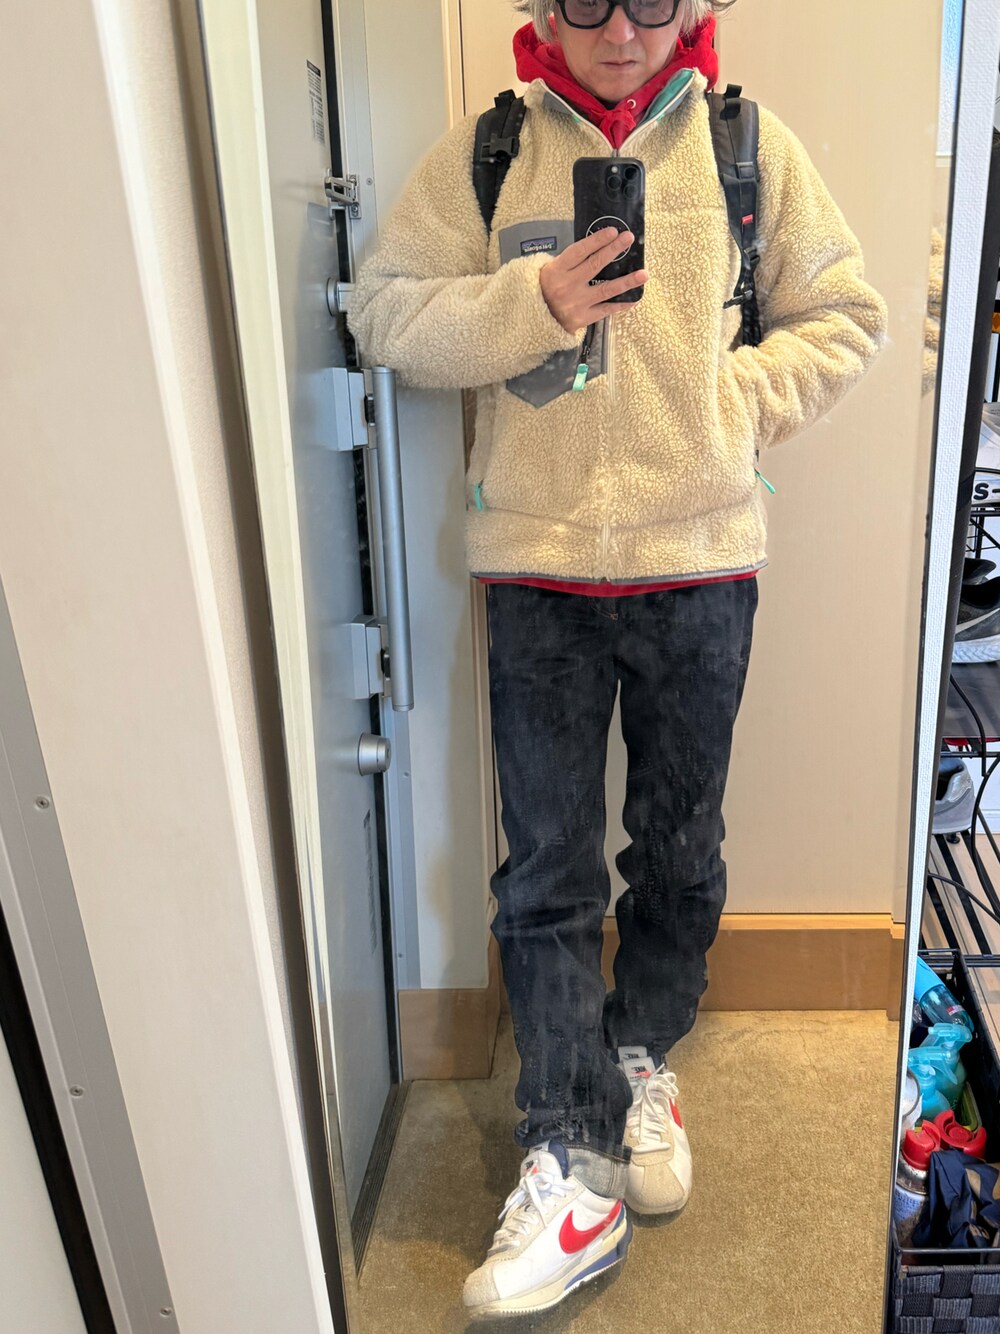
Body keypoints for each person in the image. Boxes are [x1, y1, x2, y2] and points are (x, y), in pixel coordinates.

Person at [349, 0, 887, 1319]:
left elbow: (846, 313)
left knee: (680, 850)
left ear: (698, 7)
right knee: (543, 872)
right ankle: (569, 1150)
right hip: (537, 574)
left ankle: (640, 1055)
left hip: (701, 567)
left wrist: (729, 406)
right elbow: (385, 312)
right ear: (543, 6)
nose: (622, 30)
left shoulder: (746, 148)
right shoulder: (493, 152)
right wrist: (528, 303)